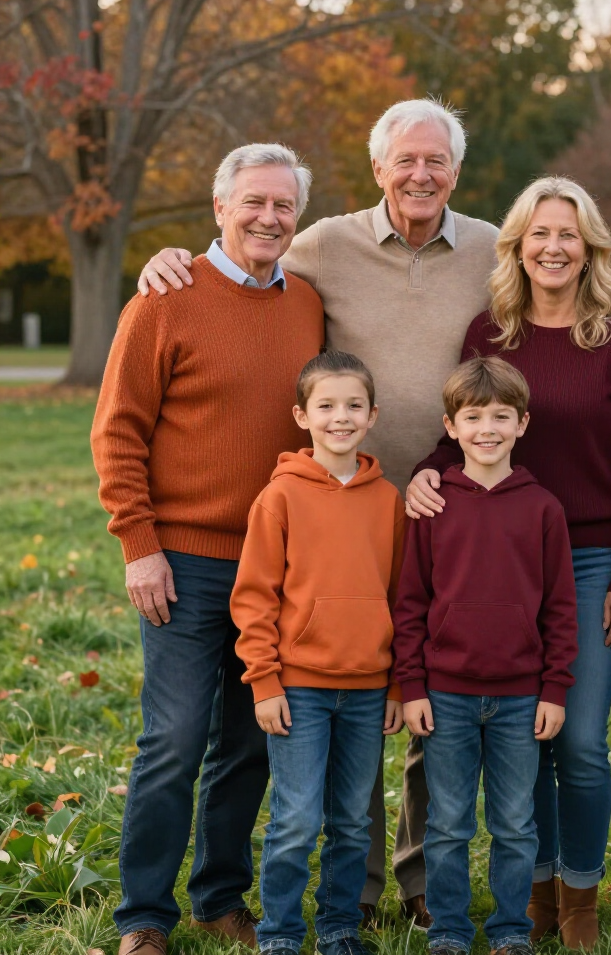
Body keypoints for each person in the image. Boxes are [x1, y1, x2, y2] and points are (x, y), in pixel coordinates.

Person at [136, 98, 500, 928]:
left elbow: (558, 282)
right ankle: (184, 914)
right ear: (378, 168)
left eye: (435, 160)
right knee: (251, 719)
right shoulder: (317, 247)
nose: (419, 174)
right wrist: (171, 259)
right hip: (290, 526)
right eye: (404, 159)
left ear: (456, 169)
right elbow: (236, 266)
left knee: (390, 708)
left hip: (425, 515)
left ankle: (388, 887)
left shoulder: (480, 248)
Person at [406, 176, 611, 951]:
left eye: (569, 236)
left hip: (588, 561)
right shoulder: (490, 332)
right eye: (538, 236)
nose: (554, 249)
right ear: (515, 248)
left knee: (579, 739)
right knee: (533, 739)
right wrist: (425, 468)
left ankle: (580, 896)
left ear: (589, 249)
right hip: (498, 554)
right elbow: (463, 426)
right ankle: (538, 890)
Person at [91, 144, 324, 955]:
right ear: (220, 207)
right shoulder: (165, 298)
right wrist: (138, 543)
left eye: (284, 206)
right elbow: (117, 428)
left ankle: (219, 895)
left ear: (299, 217)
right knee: (176, 738)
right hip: (184, 562)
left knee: (252, 738)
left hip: (279, 567)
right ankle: (143, 917)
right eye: (254, 202)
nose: (268, 217)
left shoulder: (308, 305)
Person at [392, 356, 579, 955]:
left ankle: (508, 931)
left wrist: (554, 689)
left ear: (522, 424)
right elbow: (411, 601)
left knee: (515, 824)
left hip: (521, 696)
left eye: (501, 416)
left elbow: (559, 609)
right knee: (446, 822)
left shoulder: (543, 508)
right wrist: (413, 685)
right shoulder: (434, 506)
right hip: (444, 693)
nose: (487, 429)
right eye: (473, 417)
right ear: (451, 427)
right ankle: (448, 928)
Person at [230, 351, 406, 955]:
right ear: (302, 416)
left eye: (353, 405)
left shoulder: (389, 501)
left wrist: (398, 687)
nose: (341, 417)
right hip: (297, 688)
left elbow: (400, 596)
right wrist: (265, 681)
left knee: (354, 821)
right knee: (296, 821)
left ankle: (337, 927)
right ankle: (278, 933)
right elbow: (253, 598)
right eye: (327, 406)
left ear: (373, 415)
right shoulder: (278, 499)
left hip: (367, 688)